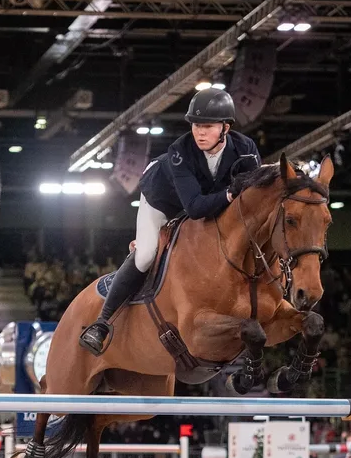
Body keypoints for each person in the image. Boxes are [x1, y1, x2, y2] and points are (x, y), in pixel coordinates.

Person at [79, 88, 261, 355]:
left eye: (207, 126)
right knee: (145, 255)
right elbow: (196, 208)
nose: (199, 132)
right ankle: (101, 323)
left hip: (208, 201)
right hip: (163, 202)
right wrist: (231, 193)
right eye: (196, 125)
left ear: (226, 127)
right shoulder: (180, 152)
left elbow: (253, 198)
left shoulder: (246, 149)